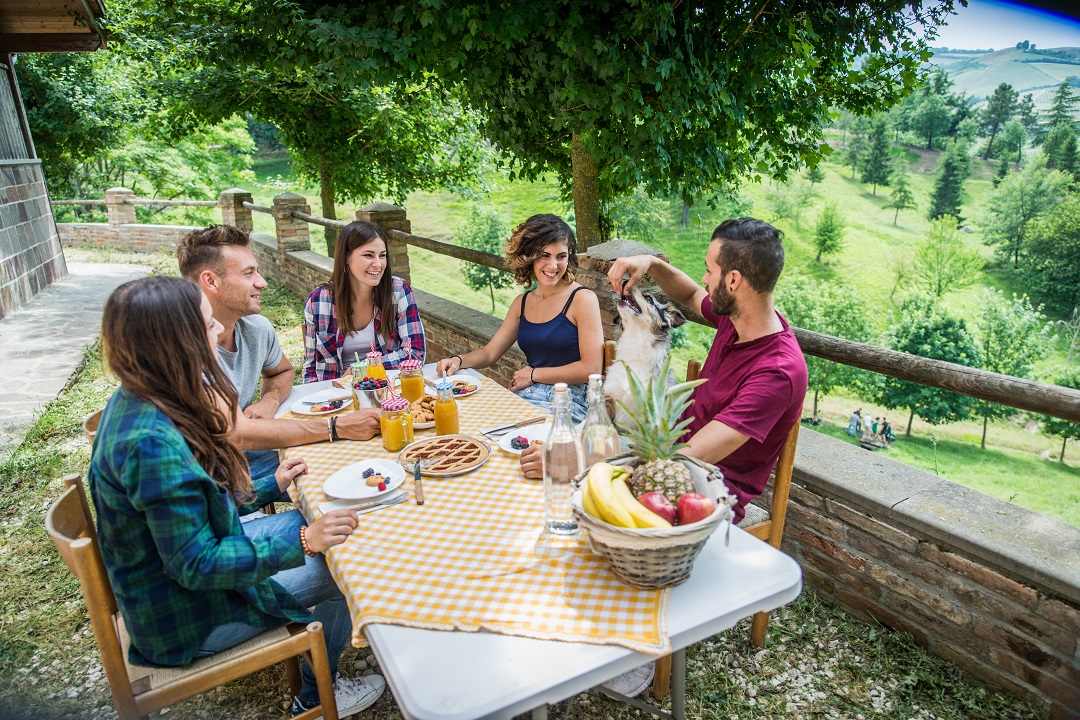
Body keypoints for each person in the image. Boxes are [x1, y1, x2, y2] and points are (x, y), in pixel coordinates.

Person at [87, 277, 385, 717]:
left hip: (174, 585)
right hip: (186, 614)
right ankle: (319, 692)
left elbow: (198, 508)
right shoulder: (149, 443)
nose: (218, 335)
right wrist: (304, 542)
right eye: (208, 327)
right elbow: (197, 564)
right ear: (177, 341)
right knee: (355, 561)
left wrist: (271, 484)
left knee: (345, 525)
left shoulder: (142, 398)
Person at [178, 225, 380, 483]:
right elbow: (238, 433)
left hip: (240, 459)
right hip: (197, 480)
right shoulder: (181, 346)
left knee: (344, 462)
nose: (261, 282)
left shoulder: (256, 329)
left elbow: (282, 371)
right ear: (210, 281)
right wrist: (337, 426)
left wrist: (270, 400)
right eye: (249, 273)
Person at [435, 214, 603, 422]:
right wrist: (458, 361)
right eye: (544, 255)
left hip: (571, 401)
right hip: (530, 394)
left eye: (561, 256)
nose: (553, 265)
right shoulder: (521, 304)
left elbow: (591, 368)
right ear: (529, 256)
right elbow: (489, 353)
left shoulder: (582, 299)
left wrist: (533, 374)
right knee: (469, 421)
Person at [303, 221, 426, 382]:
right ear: (346, 258)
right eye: (368, 255)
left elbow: (415, 354)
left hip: (388, 389)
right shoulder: (318, 301)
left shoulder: (398, 291)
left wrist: (364, 368)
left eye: (382, 256)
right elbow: (311, 367)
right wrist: (315, 400)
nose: (378, 264)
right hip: (336, 394)